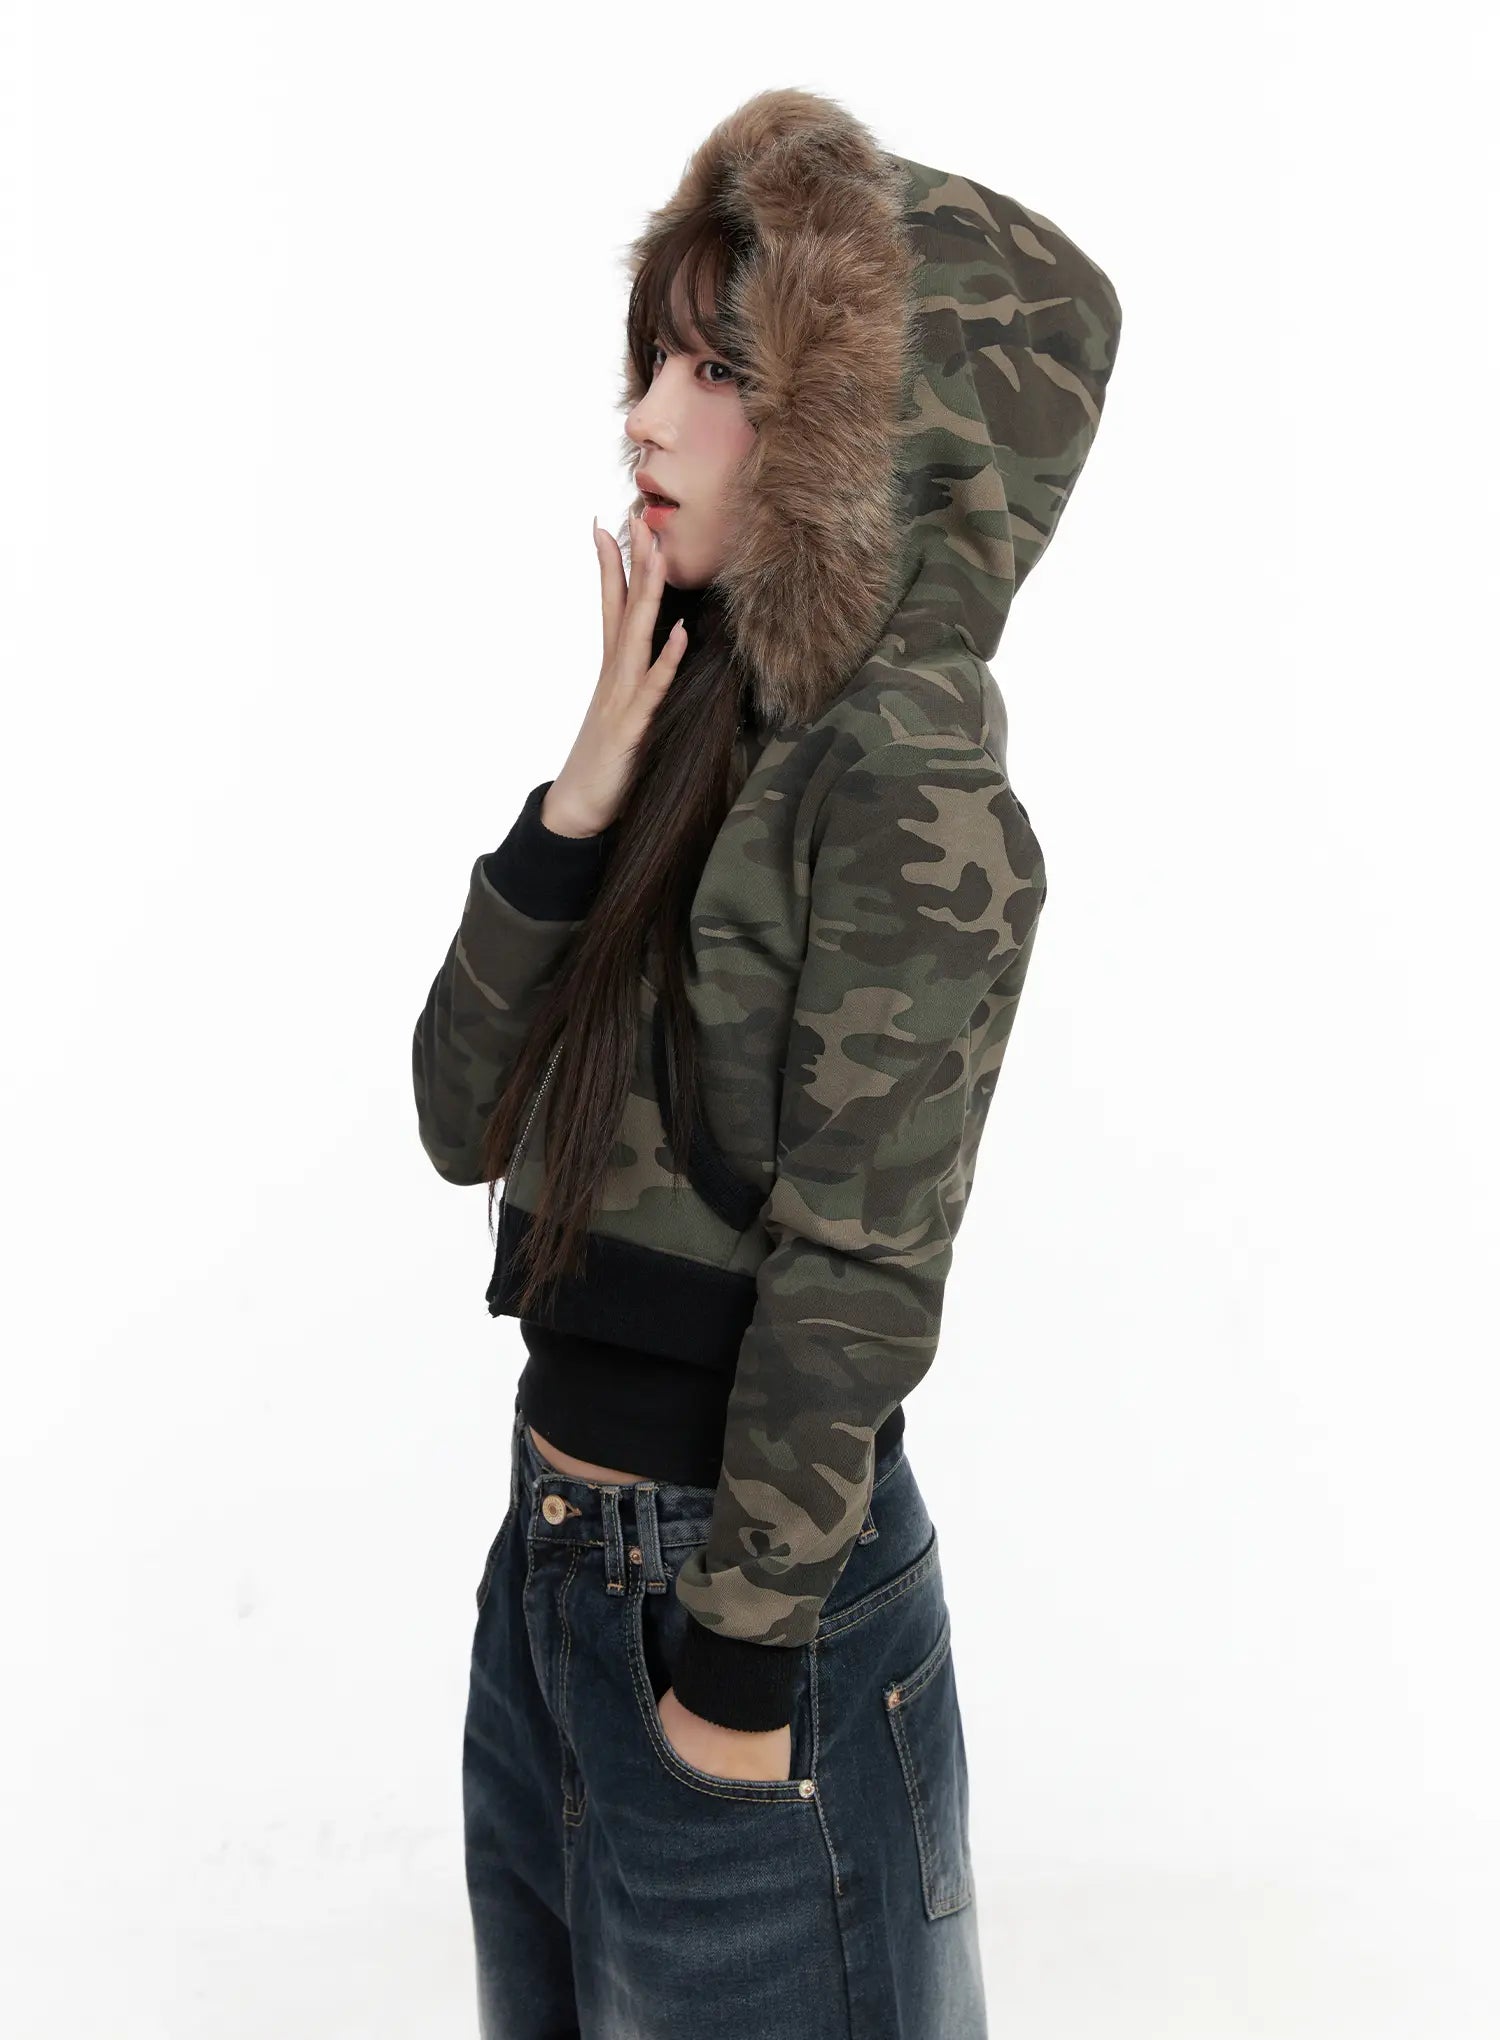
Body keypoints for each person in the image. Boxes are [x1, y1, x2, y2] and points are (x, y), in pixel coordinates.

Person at [413, 83, 1121, 2040]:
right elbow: (458, 1118)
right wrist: (579, 801)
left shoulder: (909, 773)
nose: (646, 417)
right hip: (556, 1585)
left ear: (862, 433)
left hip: (736, 1625)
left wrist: (728, 1683)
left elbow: (860, 1272)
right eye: (654, 357)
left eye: (721, 371)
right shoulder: (690, 734)